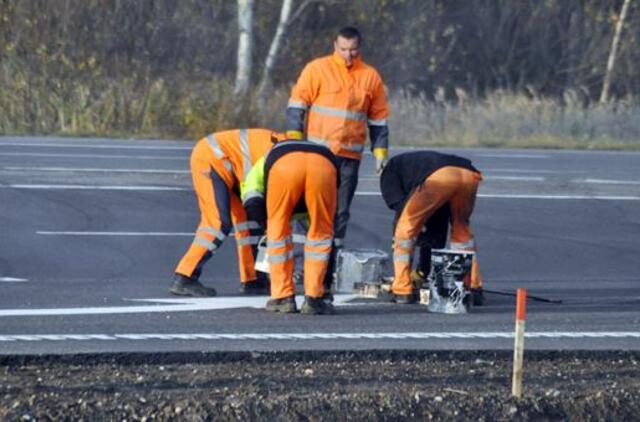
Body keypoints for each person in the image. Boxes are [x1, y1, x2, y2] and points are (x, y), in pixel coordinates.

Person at [286, 26, 390, 291]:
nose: (348, 55)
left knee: (340, 214)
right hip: (317, 155)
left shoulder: (370, 77)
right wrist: (295, 141)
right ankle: (300, 268)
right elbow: (298, 104)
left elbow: (378, 119)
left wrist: (380, 153)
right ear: (335, 45)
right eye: (343, 49)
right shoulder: (317, 69)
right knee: (306, 211)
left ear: (360, 48)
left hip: (348, 159)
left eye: (353, 49)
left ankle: (329, 267)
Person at [170, 128, 285, 297]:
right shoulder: (283, 159)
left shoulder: (287, 151)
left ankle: (253, 280)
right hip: (213, 158)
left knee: (250, 225)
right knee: (217, 223)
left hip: (231, 166)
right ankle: (184, 277)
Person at [241, 139, 338, 314]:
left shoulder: (262, 162)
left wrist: (265, 224)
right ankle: (315, 299)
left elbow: (251, 195)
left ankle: (282, 298)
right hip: (324, 166)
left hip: (284, 167)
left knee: (277, 233)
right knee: (322, 234)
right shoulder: (319, 152)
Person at [379, 151, 484, 305]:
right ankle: (473, 287)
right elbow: (438, 216)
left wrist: (416, 223)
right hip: (469, 175)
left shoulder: (390, 171)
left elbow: (398, 205)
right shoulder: (412, 164)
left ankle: (402, 289)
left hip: (440, 177)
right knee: (462, 232)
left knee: (404, 231)